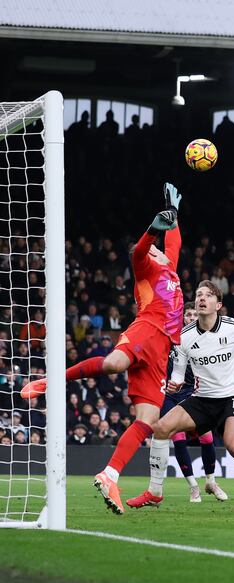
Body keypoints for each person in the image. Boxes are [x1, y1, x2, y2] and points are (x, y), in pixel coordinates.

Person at [23, 184, 185, 514]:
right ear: (154, 252)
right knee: (113, 364)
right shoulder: (147, 266)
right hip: (147, 329)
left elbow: (175, 241)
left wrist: (174, 214)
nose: (163, 249)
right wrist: (153, 230)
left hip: (163, 349)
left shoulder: (170, 266)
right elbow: (138, 252)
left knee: (149, 420)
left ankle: (109, 474)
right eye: (159, 247)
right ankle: (50, 381)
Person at [124, 282, 234, 514]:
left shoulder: (233, 328)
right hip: (201, 399)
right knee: (160, 429)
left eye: (208, 295)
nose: (201, 298)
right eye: (199, 294)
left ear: (218, 305)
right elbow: (179, 373)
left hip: (230, 398)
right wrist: (175, 383)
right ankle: (155, 492)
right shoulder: (184, 337)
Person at [126, 302, 223, 506]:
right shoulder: (173, 337)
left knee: (206, 437)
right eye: (188, 314)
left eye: (194, 314)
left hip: (193, 392)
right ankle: (193, 486)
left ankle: (211, 482)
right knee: (176, 436)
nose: (191, 317)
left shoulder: (205, 339)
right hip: (170, 393)